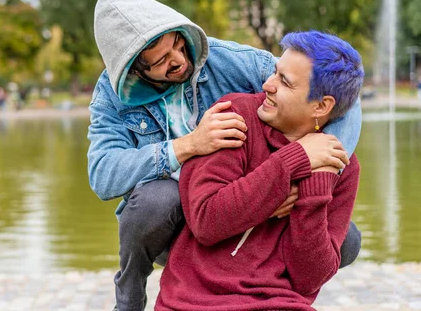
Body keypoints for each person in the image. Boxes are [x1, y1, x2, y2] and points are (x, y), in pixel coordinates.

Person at [87, 0, 362, 311]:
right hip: (177, 215)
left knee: (345, 237)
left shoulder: (227, 59)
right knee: (155, 201)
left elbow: (340, 97)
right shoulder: (112, 97)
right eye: (160, 61)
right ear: (134, 68)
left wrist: (310, 173)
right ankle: (130, 299)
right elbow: (103, 174)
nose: (177, 60)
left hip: (244, 194)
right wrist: (188, 145)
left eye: (177, 44)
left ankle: (259, 283)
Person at [155, 31, 364, 311]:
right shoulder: (233, 116)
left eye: (284, 82)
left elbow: (308, 279)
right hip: (196, 301)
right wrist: (294, 160)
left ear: (322, 106)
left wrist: (316, 184)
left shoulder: (341, 166)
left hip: (281, 304)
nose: (267, 84)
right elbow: (205, 220)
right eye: (275, 73)